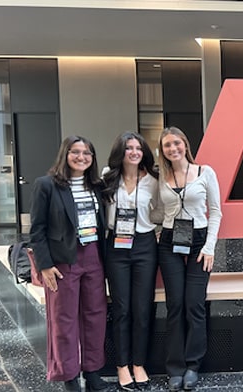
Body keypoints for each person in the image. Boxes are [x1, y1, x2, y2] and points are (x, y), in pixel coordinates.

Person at [29, 135, 110, 392]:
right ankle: (69, 376)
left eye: (87, 153)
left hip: (94, 256)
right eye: (76, 152)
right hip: (63, 261)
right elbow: (37, 229)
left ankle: (93, 371)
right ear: (65, 154)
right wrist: (44, 265)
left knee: (95, 317)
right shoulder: (47, 186)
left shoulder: (96, 185)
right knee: (63, 320)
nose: (81, 157)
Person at [157, 126, 221, 391]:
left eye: (176, 143)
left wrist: (209, 247)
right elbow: (151, 209)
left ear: (185, 144)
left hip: (198, 243)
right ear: (162, 151)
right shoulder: (159, 176)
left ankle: (193, 365)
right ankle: (175, 367)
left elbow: (215, 212)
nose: (173, 149)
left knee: (194, 303)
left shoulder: (205, 172)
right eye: (167, 146)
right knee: (175, 305)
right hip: (170, 241)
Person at [101, 132, 161, 391]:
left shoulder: (153, 181)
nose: (134, 152)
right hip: (116, 246)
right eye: (129, 148)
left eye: (138, 148)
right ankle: (121, 364)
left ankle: (139, 363)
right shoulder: (107, 176)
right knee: (122, 308)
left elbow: (160, 211)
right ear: (120, 152)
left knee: (142, 308)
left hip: (145, 245)